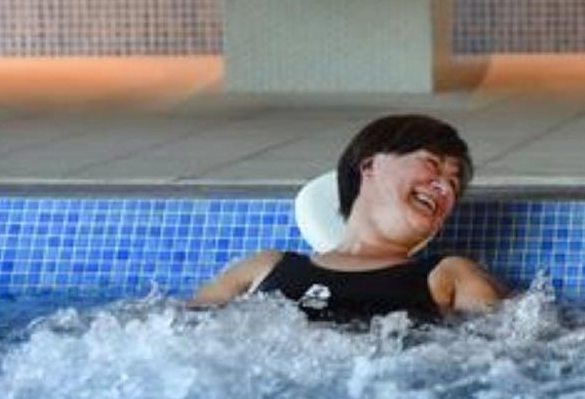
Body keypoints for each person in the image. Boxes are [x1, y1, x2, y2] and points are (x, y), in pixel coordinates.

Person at [192, 114, 505, 323]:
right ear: (369, 166)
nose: (444, 187)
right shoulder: (265, 267)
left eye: (454, 183)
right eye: (433, 166)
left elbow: (505, 359)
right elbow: (181, 329)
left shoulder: (450, 275)